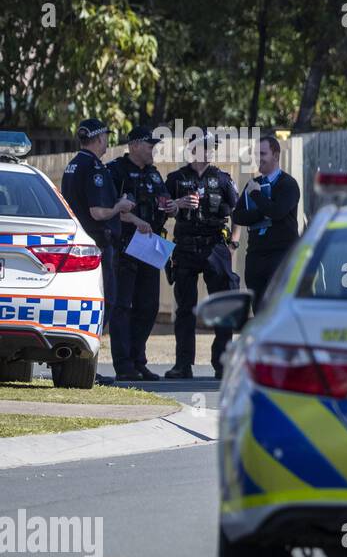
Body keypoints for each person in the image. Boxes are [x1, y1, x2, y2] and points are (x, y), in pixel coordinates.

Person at [61, 119, 135, 385]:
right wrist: (121, 206)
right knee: (105, 304)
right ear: (98, 138)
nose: (107, 142)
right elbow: (98, 212)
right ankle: (87, 365)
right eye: (105, 136)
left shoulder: (73, 164)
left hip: (80, 245)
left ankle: (82, 364)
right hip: (98, 246)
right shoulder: (94, 168)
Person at [165, 129, 240, 379]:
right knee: (185, 309)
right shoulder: (175, 178)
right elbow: (161, 209)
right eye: (205, 146)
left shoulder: (223, 179)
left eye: (212, 147)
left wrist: (234, 244)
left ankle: (222, 364)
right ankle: (182, 365)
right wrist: (177, 205)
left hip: (215, 245)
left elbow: (239, 212)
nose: (210, 151)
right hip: (185, 246)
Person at [106, 125, 171, 380]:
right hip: (124, 246)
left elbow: (163, 200)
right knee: (123, 306)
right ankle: (124, 366)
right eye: (148, 145)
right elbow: (109, 207)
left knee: (149, 306)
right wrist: (133, 219)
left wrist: (172, 206)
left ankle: (138, 360)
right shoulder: (116, 171)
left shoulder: (154, 175)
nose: (152, 149)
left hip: (150, 245)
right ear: (133, 146)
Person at [233, 135, 300, 312]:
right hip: (256, 256)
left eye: (262, 153)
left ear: (276, 156)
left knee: (277, 309)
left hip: (281, 255)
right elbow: (237, 216)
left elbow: (278, 212)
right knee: (259, 309)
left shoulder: (288, 184)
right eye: (255, 153)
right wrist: (263, 212)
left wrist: (257, 197)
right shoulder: (253, 184)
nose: (257, 158)